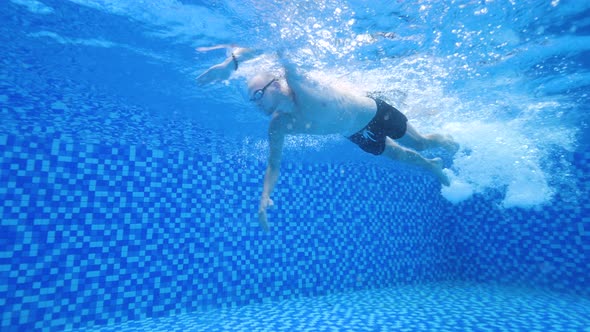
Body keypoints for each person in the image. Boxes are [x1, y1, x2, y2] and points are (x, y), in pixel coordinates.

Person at [197, 46, 459, 231]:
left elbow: (275, 45)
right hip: (354, 133)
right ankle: (432, 166)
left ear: (275, 86)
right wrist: (265, 195)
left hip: (375, 112)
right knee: (398, 155)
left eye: (257, 95)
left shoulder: (299, 85)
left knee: (419, 143)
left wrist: (230, 65)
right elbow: (274, 164)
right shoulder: (279, 126)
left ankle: (444, 140)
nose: (256, 104)